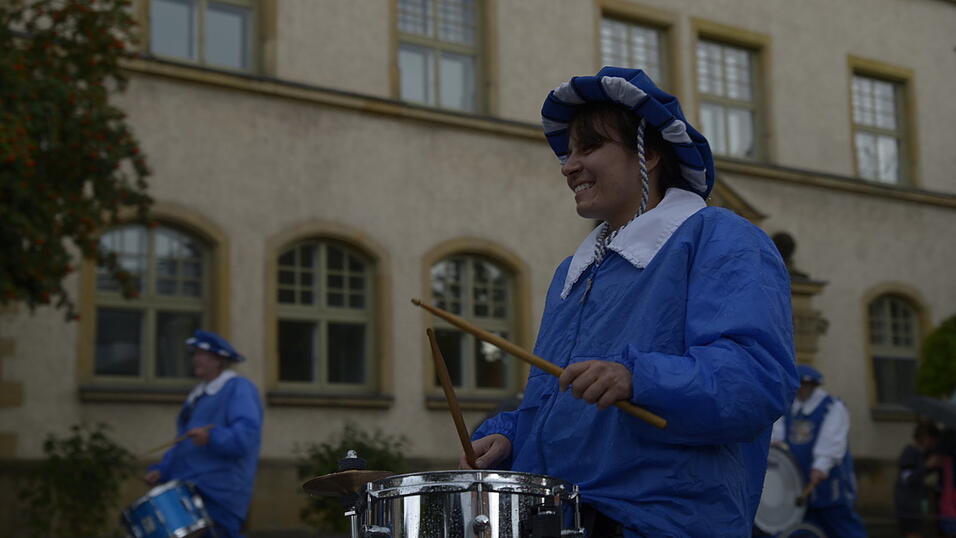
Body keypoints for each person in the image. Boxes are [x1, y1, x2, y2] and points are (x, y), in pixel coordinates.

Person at [462, 67, 798, 537]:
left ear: (651, 152)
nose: (568, 165)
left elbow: (755, 379)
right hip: (561, 521)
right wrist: (509, 437)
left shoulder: (722, 238)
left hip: (664, 523)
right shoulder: (572, 271)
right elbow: (557, 408)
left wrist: (637, 378)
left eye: (590, 147)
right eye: (569, 151)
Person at [143, 330, 263, 538]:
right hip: (189, 490)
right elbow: (182, 446)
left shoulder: (238, 388)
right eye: (195, 354)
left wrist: (212, 437)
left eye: (202, 354)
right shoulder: (198, 395)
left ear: (219, 360)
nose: (195, 359)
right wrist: (162, 470)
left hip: (219, 494)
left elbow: (246, 437)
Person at [771, 364, 867, 537]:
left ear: (814, 386)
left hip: (829, 483)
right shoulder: (788, 410)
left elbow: (831, 441)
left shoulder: (832, 407)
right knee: (805, 529)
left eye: (806, 385)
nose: (802, 389)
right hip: (799, 484)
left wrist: (821, 466)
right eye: (799, 385)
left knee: (841, 526)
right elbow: (777, 440)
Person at [895, 421, 942, 538]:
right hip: (908, 505)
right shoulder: (910, 452)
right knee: (913, 533)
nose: (933, 444)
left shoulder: (922, 454)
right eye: (932, 440)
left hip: (915, 504)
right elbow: (908, 478)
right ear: (925, 438)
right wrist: (927, 466)